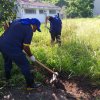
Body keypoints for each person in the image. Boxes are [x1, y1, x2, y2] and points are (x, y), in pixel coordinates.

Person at [0, 18, 42, 90]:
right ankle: (31, 85)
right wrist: (31, 56)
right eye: (36, 28)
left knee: (7, 61)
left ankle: (7, 80)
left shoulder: (18, 21)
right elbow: (26, 47)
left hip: (2, 43)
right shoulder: (29, 30)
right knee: (25, 64)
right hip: (12, 47)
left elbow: (7, 27)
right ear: (34, 25)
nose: (35, 31)